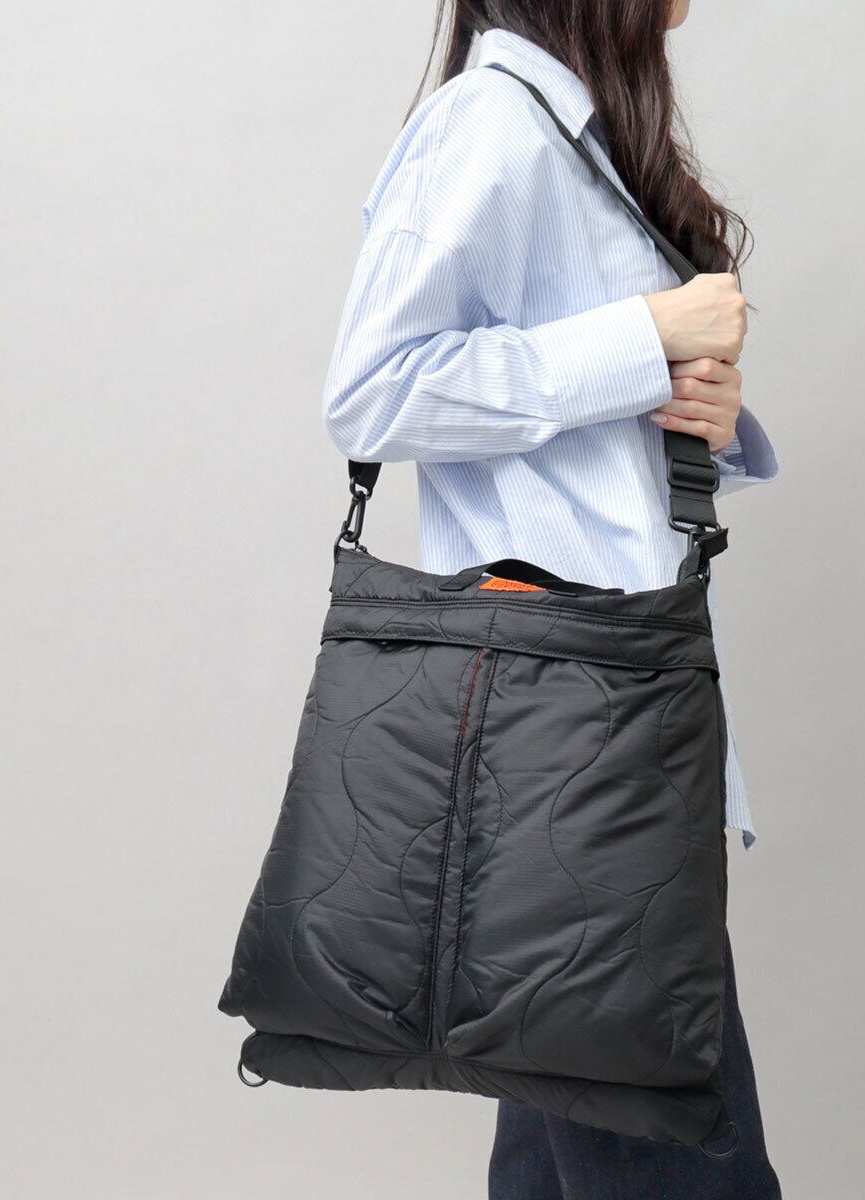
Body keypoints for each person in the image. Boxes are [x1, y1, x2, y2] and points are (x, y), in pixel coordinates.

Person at [321, 2, 781, 1196]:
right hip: (572, 739)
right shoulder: (492, 121)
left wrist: (703, 417)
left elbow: (586, 451)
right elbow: (372, 390)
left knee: (564, 1157)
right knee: (676, 1164)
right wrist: (644, 333)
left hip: (612, 718)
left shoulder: (572, 137)